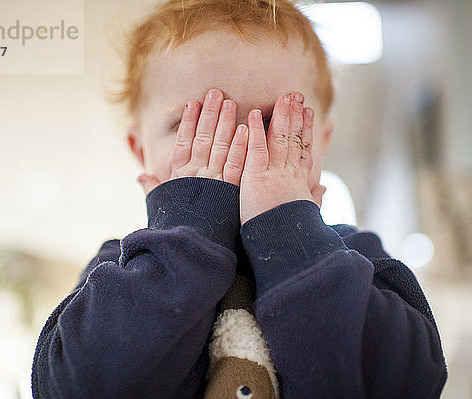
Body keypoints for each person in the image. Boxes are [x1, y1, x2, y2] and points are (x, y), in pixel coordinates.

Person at [31, 0, 448, 397]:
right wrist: (188, 232)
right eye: (198, 127)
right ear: (143, 153)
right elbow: (74, 387)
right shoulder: (120, 272)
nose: (242, 148)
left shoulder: (357, 259)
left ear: (320, 142)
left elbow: (408, 383)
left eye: (272, 124)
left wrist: (291, 234)